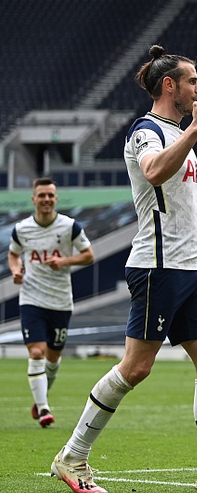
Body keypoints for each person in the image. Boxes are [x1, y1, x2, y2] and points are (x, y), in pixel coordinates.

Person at [51, 45, 197, 493]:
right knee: (135, 368)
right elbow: (152, 172)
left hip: (188, 268)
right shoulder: (146, 131)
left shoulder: (175, 134)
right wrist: (194, 130)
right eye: (192, 81)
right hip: (157, 267)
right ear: (170, 85)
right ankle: (72, 456)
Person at [9, 177, 95, 428]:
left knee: (54, 358)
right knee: (37, 352)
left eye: (50, 195)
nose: (46, 199)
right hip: (31, 298)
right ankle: (44, 408)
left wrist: (64, 262)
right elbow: (13, 254)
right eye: (42, 195)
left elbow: (89, 255)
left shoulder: (70, 227)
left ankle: (40, 398)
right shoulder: (21, 229)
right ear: (34, 199)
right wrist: (16, 270)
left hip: (60, 301)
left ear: (55, 199)